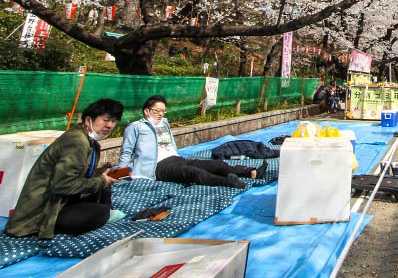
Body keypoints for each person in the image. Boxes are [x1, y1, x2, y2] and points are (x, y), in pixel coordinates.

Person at [4, 99, 124, 239]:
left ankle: (104, 212)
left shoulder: (88, 141)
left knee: (103, 187)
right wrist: (100, 181)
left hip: (62, 202)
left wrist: (101, 175)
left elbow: (81, 174)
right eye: (105, 120)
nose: (109, 125)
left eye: (113, 121)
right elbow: (63, 185)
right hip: (44, 212)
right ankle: (104, 214)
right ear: (88, 120)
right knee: (100, 212)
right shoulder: (76, 142)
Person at [119, 96, 266, 189]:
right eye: (157, 111)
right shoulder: (135, 127)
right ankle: (227, 182)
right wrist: (121, 175)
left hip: (176, 159)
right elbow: (126, 152)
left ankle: (251, 172)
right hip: (156, 167)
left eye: (163, 111)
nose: (160, 114)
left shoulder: (164, 124)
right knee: (193, 173)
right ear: (146, 111)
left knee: (216, 164)